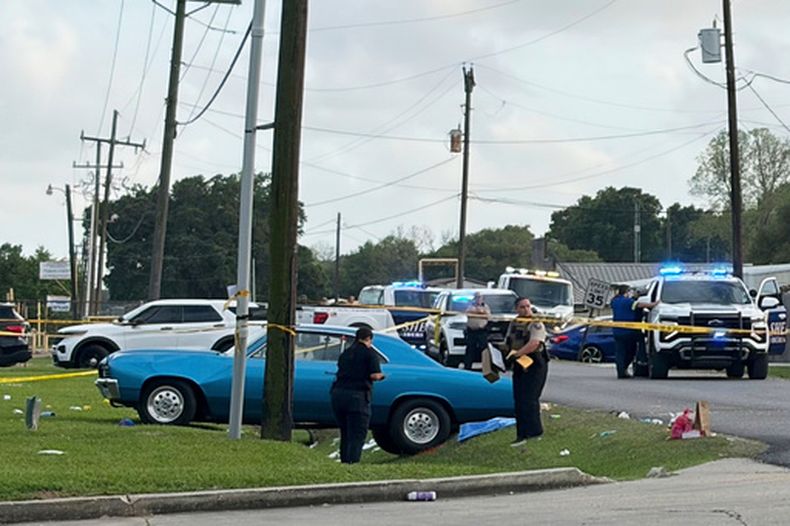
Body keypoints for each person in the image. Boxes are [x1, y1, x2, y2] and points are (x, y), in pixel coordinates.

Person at [330, 326, 385, 464]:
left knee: (345, 432)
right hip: (357, 397)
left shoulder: (346, 353)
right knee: (357, 434)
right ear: (368, 339)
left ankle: (344, 462)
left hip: (338, 395)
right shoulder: (370, 354)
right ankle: (353, 464)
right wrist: (382, 376)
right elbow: (374, 375)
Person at [504, 297, 549, 447]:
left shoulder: (535, 323)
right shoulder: (514, 323)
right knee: (519, 399)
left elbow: (534, 343)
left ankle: (535, 432)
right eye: (522, 307)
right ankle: (521, 434)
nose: (526, 309)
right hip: (519, 363)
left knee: (530, 398)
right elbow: (508, 342)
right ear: (516, 309)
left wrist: (517, 354)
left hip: (534, 362)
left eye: (528, 306)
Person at [610, 284, 657, 379]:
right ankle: (642, 357)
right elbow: (640, 305)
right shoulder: (628, 301)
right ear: (627, 292)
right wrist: (654, 304)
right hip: (630, 331)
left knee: (620, 353)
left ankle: (621, 372)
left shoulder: (614, 301)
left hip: (617, 331)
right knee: (635, 347)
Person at [464, 292, 491, 370]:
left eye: (480, 297)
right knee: (470, 349)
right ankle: (467, 367)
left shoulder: (486, 307)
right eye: (477, 297)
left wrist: (479, 312)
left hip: (481, 331)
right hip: (471, 331)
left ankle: (486, 367)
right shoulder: (470, 306)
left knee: (484, 349)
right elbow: (468, 313)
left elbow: (488, 316)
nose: (478, 299)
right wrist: (480, 313)